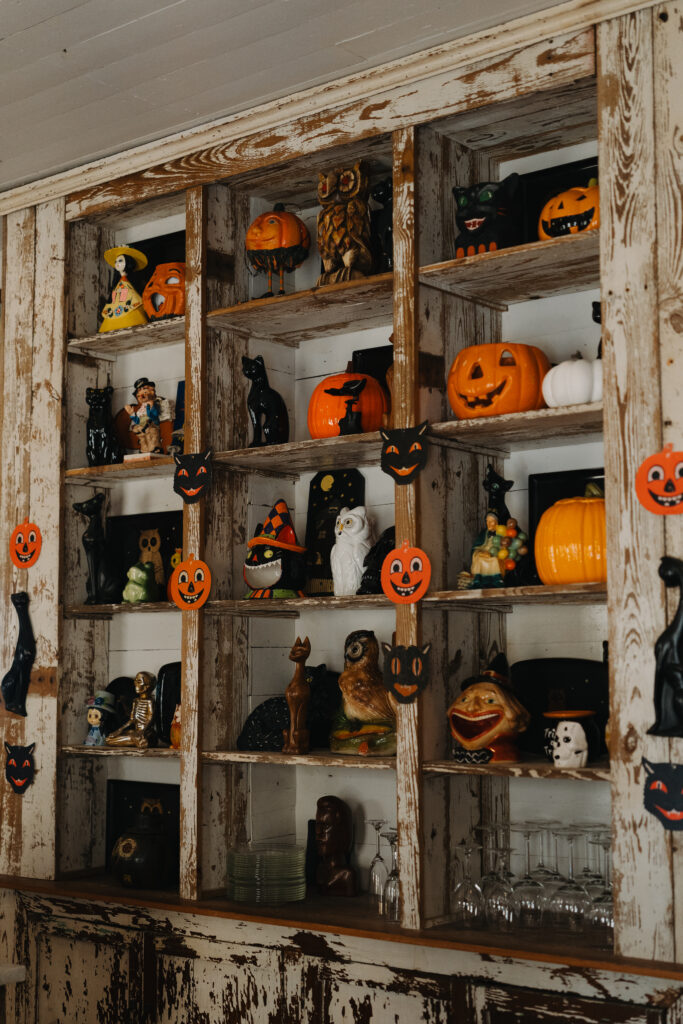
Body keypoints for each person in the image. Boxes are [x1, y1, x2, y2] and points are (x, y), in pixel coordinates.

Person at [99, 245, 148, 333]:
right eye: (116, 261)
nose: (117, 263)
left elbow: (133, 296)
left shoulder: (129, 283)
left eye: (120, 260)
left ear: (128, 262)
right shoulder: (118, 282)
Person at [315, 795, 357, 896]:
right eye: (317, 825)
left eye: (325, 826)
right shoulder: (320, 869)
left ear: (342, 831)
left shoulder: (347, 875)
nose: (318, 832)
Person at [125, 377, 171, 454]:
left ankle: (155, 449)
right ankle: (144, 450)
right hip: (143, 426)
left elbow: (153, 416)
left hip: (152, 426)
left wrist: (149, 408)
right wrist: (132, 414)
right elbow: (138, 421)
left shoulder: (153, 404)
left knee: (152, 437)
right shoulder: (141, 409)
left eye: (144, 392)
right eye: (139, 395)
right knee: (141, 436)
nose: (141, 396)